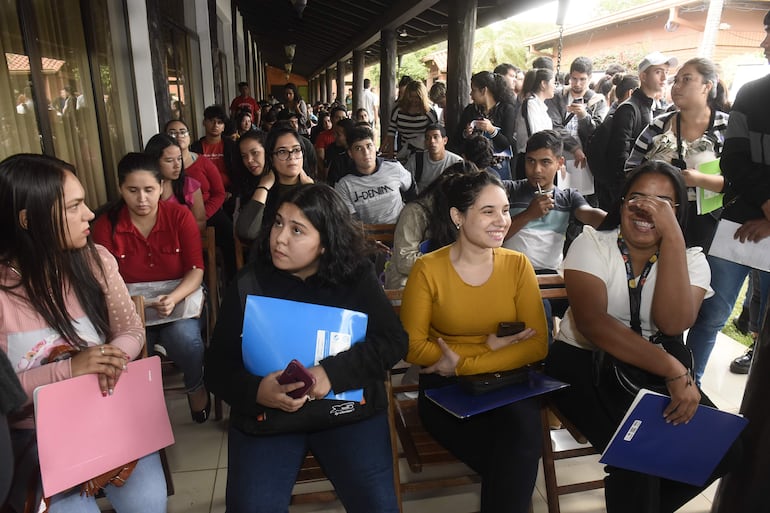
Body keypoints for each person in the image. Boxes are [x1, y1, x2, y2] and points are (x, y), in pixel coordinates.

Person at [205, 183, 408, 512]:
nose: (280, 238)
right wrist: (258, 390)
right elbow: (215, 368)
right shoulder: (249, 283)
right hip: (268, 417)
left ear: (325, 244)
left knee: (378, 505)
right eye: (278, 223)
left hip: (345, 415)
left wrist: (331, 374)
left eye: (297, 230)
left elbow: (393, 342)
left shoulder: (355, 277)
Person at [545, 161, 731, 513]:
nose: (647, 208)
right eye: (638, 198)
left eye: (663, 203)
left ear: (678, 213)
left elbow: (671, 323)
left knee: (724, 446)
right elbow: (592, 323)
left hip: (648, 367)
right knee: (640, 457)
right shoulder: (591, 244)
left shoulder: (691, 259)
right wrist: (673, 370)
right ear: (621, 203)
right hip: (582, 362)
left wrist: (673, 238)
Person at [0, 153, 167, 512]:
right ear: (29, 220)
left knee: (150, 502)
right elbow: (5, 395)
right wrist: (70, 369)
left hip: (104, 411)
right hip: (34, 435)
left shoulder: (96, 261)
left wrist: (110, 357)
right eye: (74, 206)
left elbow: (131, 329)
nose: (90, 213)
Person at [400, 170, 548, 513]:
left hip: (507, 382)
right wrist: (489, 348)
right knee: (511, 460)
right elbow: (411, 346)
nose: (502, 221)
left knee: (523, 441)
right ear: (457, 216)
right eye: (488, 211)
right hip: (444, 387)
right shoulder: (428, 269)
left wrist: (465, 361)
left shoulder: (517, 265)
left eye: (506, 210)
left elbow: (538, 344)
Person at [92, 152, 210, 424]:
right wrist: (132, 304)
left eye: (149, 190)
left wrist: (174, 297)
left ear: (161, 187)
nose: (142, 199)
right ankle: (138, 408)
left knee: (187, 342)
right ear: (121, 189)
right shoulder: (105, 227)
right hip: (127, 308)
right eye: (133, 191)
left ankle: (196, 387)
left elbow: (196, 270)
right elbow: (103, 282)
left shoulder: (179, 216)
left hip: (176, 301)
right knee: (122, 351)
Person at [683, 14, 770, 379]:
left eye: (769, 36)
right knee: (711, 315)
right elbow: (732, 160)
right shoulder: (751, 95)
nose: (764, 45)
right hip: (737, 226)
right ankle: (689, 388)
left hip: (758, 223)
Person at [625, 57, 729, 258]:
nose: (677, 86)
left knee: (698, 280)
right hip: (655, 218)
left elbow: (740, 183)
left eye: (687, 80)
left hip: (709, 224)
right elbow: (630, 168)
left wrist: (697, 180)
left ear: (707, 86)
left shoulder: (727, 128)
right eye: (676, 80)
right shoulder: (659, 126)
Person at [595, 52, 677, 211]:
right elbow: (619, 154)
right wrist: (629, 186)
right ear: (644, 76)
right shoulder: (629, 108)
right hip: (625, 187)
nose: (664, 78)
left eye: (666, 72)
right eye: (658, 72)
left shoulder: (652, 107)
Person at [383, 161, 478, 289]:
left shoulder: (465, 211)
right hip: (410, 280)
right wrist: (449, 263)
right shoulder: (416, 212)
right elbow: (404, 261)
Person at [165, 119, 236, 280]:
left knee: (228, 235)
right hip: (175, 218)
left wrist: (204, 214)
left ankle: (231, 281)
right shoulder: (161, 168)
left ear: (189, 137)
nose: (179, 136)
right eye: (172, 132)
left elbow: (219, 193)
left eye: (183, 131)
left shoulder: (203, 162)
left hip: (208, 212)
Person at [235, 125, 313, 243]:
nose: (291, 156)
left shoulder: (314, 188)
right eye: (282, 152)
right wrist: (263, 187)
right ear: (271, 158)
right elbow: (247, 232)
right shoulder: (263, 192)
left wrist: (313, 190)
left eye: (296, 150)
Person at [335, 125, 412, 224]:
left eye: (369, 146)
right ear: (350, 153)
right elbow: (352, 221)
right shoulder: (344, 185)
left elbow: (411, 191)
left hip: (401, 230)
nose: (366, 152)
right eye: (358, 148)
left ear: (374, 147)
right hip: (369, 235)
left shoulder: (394, 168)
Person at [460, 71, 518, 180]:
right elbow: (457, 139)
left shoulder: (506, 109)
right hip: (474, 167)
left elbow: (507, 143)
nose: (471, 95)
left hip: (500, 167)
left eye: (473, 90)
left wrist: (492, 130)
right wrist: (466, 133)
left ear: (484, 90)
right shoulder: (470, 111)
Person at [144, 133, 207, 232]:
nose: (177, 165)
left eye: (179, 159)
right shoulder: (144, 189)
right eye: (169, 160)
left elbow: (200, 222)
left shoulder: (189, 186)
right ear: (154, 161)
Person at [191, 105, 240, 214]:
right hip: (203, 196)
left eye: (219, 122)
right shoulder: (195, 148)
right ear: (204, 123)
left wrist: (231, 192)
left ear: (223, 127)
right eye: (211, 121)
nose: (215, 125)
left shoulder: (231, 146)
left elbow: (238, 172)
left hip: (228, 194)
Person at [382, 80, 439, 162]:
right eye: (411, 97)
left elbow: (435, 131)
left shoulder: (429, 111)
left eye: (417, 97)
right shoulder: (398, 109)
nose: (414, 100)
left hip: (423, 151)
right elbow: (391, 131)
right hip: (403, 150)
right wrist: (390, 153)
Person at [404, 124, 463, 193]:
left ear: (445, 140)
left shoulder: (456, 162)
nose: (432, 141)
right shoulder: (417, 160)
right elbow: (403, 181)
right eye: (428, 138)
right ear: (425, 142)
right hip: (421, 200)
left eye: (436, 137)